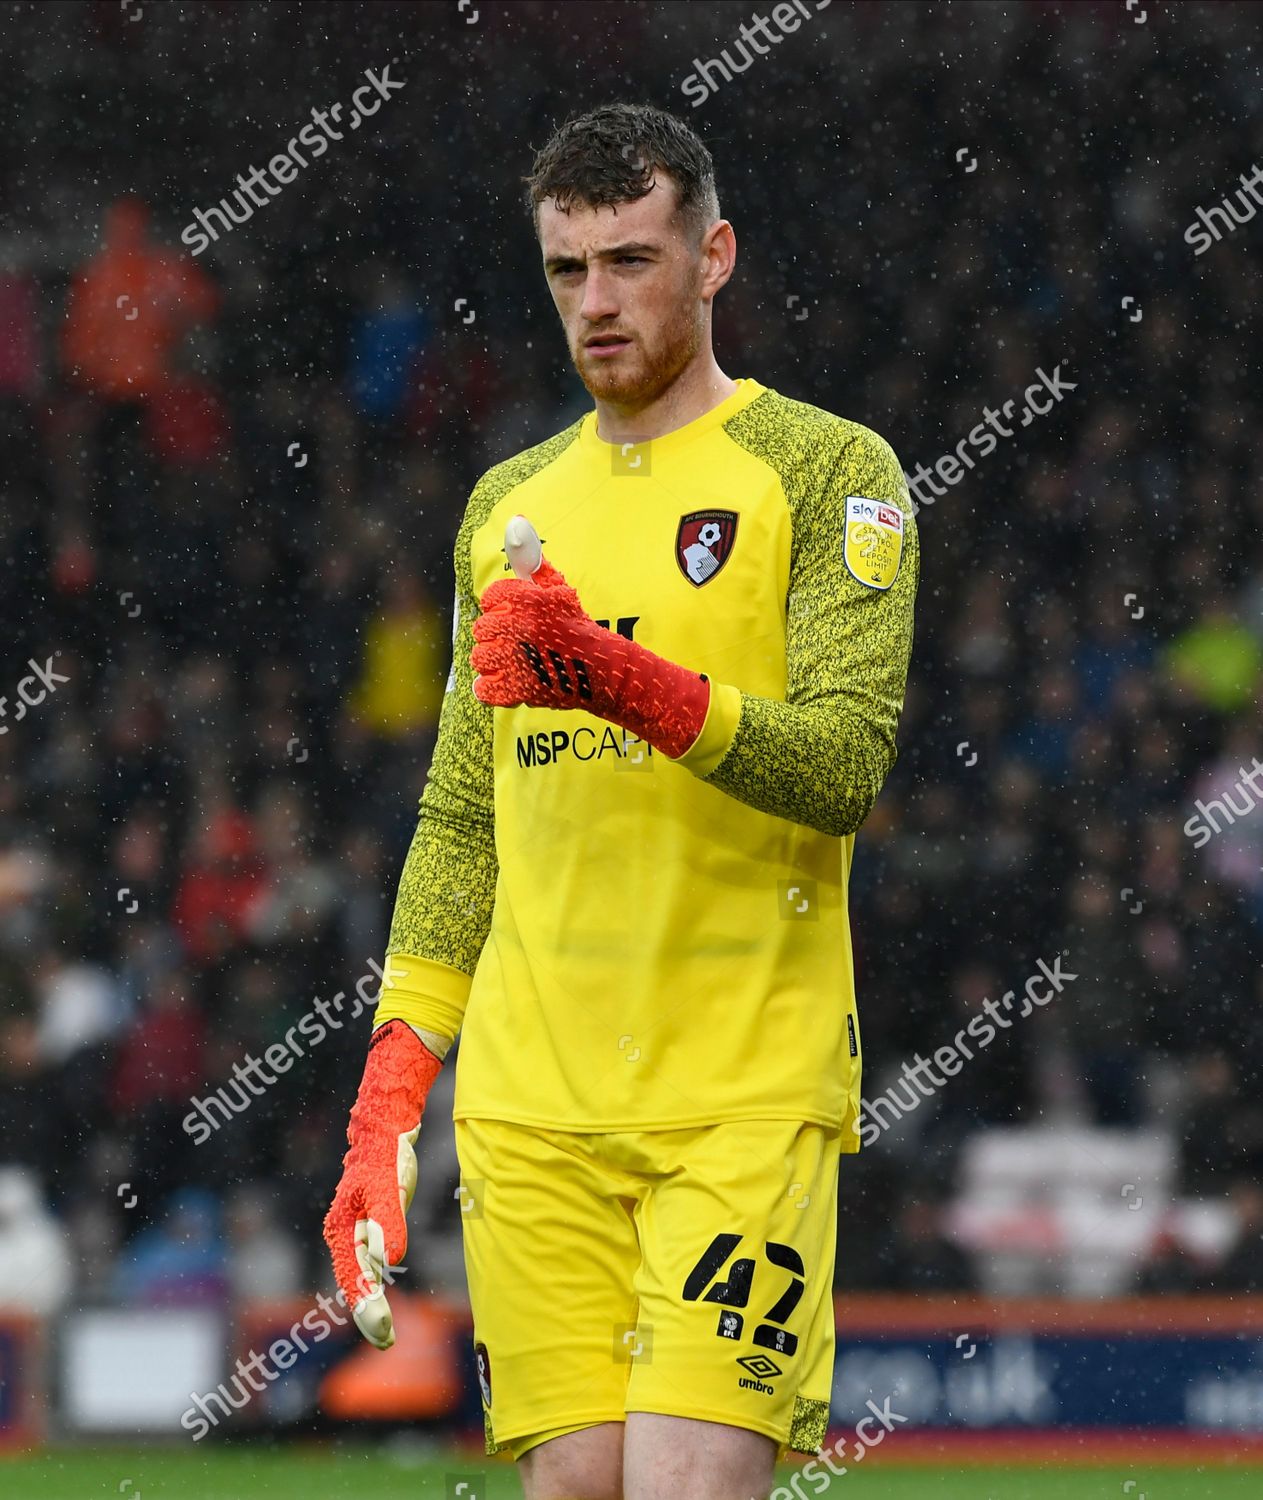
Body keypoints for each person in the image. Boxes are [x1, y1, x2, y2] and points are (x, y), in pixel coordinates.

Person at [324, 103, 918, 1500]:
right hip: (531, 1107)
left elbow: (841, 769)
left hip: (739, 1094)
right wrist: (389, 1089)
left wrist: (606, 671)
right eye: (567, 271)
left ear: (714, 259)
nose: (597, 304)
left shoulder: (831, 475)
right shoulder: (506, 504)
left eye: (633, 263)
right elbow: (463, 818)